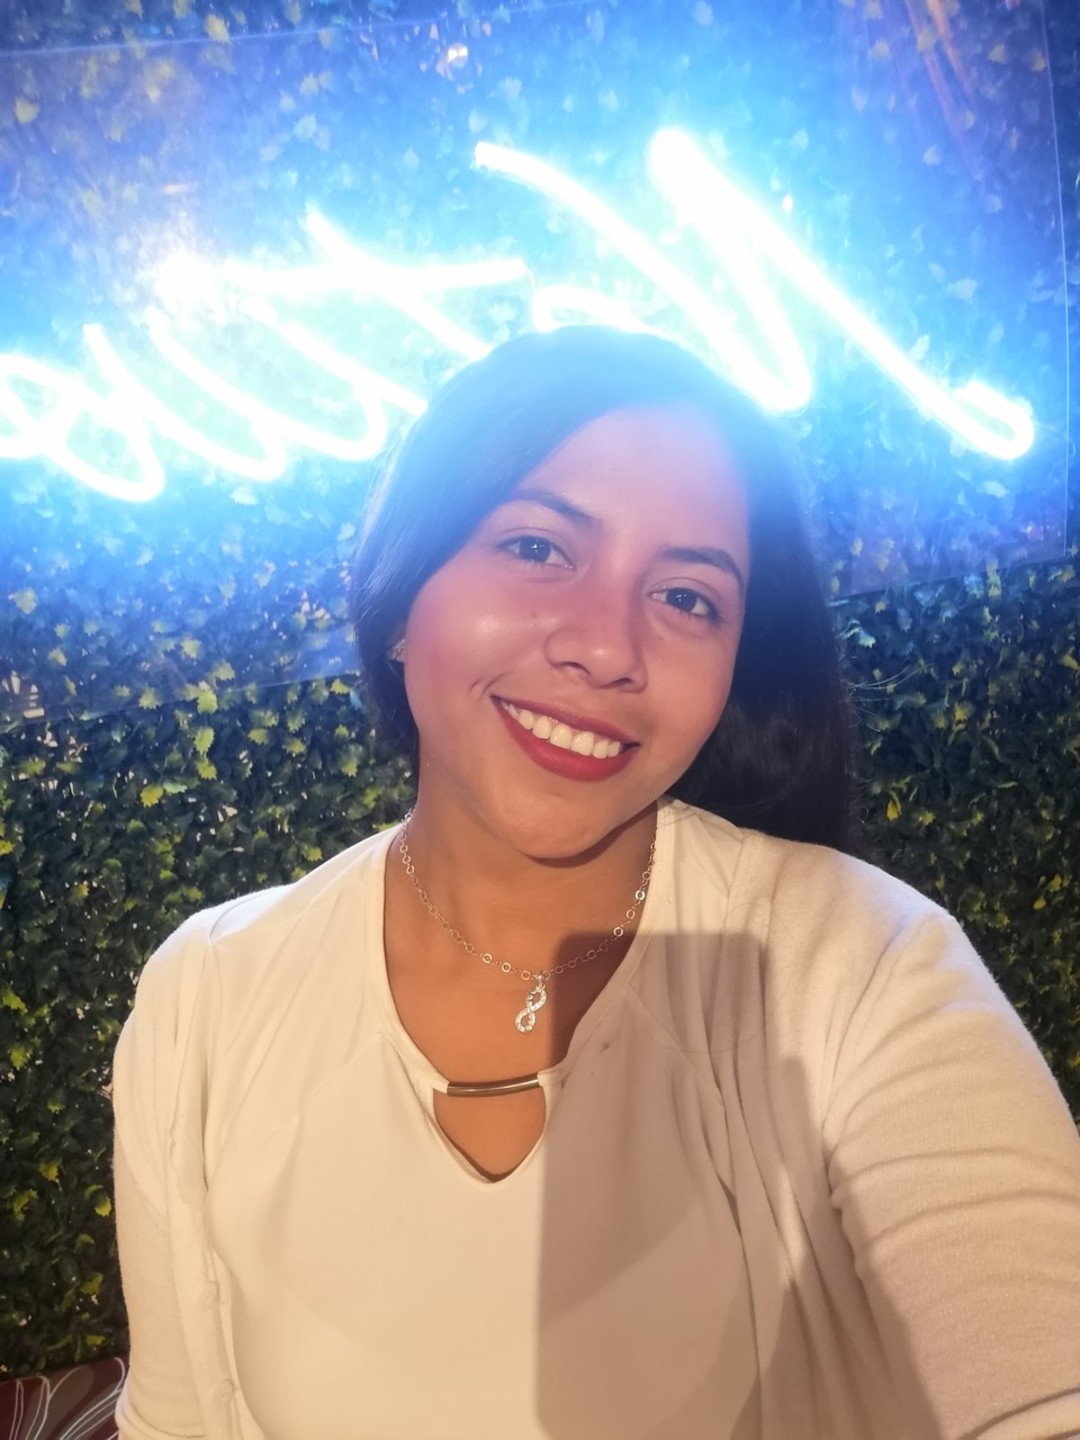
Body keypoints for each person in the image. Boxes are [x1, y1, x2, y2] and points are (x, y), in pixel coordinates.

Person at [112, 326, 1080, 1440]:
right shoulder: (209, 1001)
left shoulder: (859, 967)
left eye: (688, 598)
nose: (608, 648)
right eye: (537, 547)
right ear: (402, 588)